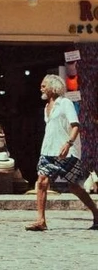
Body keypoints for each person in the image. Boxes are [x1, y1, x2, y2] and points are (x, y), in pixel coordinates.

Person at [25, 74, 98, 231]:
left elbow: (75, 126)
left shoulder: (65, 103)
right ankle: (41, 220)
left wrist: (68, 143)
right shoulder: (46, 107)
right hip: (48, 151)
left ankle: (96, 213)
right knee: (42, 181)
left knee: (74, 187)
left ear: (53, 87)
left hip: (66, 151)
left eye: (44, 85)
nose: (41, 88)